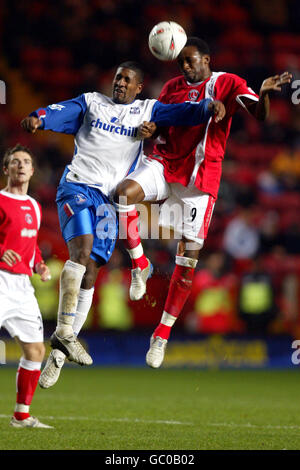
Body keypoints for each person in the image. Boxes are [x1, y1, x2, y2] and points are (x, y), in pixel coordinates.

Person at [21, 61, 226, 388]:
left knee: (91, 271)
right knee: (82, 250)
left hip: (106, 201)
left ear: (138, 87)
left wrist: (207, 106)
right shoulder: (92, 103)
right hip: (77, 186)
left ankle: (59, 355)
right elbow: (58, 111)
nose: (120, 83)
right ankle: (63, 332)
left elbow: (181, 112)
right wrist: (39, 118)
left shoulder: (147, 111)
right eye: (117, 77)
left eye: (127, 80)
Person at [113, 37, 292, 368]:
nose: (185, 66)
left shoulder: (226, 82)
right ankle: (140, 264)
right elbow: (160, 125)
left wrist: (264, 93)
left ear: (206, 59)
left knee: (188, 260)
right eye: (181, 61)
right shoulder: (170, 88)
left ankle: (162, 334)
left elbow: (259, 114)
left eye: (190, 60)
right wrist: (151, 129)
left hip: (201, 178)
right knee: (123, 194)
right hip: (166, 164)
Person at [0, 144, 52, 428]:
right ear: (6, 169)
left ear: (32, 170)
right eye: (15, 161)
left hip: (21, 285)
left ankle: (21, 416)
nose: (21, 165)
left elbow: (30, 247)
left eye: (26, 161)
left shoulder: (34, 205)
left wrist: (39, 265)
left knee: (35, 351)